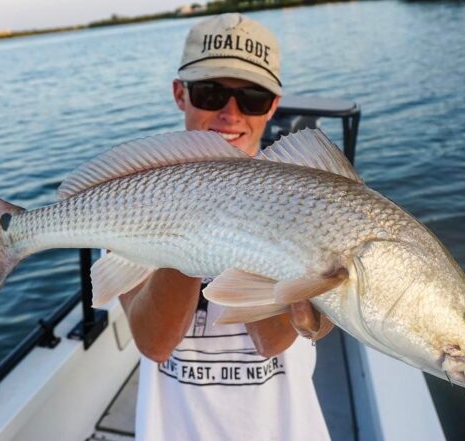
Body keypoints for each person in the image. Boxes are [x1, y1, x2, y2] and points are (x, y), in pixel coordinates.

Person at [119, 13, 334, 440]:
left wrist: (314, 318)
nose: (230, 113)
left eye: (252, 97)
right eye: (210, 93)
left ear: (273, 105)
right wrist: (190, 212)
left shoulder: (309, 204)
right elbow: (156, 344)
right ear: (181, 94)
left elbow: (273, 343)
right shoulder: (131, 200)